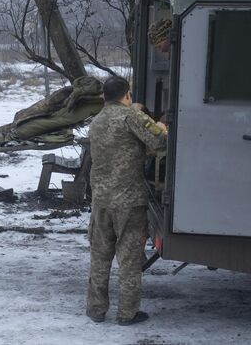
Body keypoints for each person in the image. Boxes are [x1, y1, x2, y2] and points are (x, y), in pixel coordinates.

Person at [86, 76, 167, 325]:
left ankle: (96, 310)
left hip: (101, 200)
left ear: (104, 97)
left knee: (100, 257)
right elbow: (160, 141)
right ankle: (127, 313)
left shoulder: (96, 121)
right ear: (127, 95)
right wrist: (161, 125)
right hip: (129, 202)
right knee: (129, 260)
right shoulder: (130, 116)